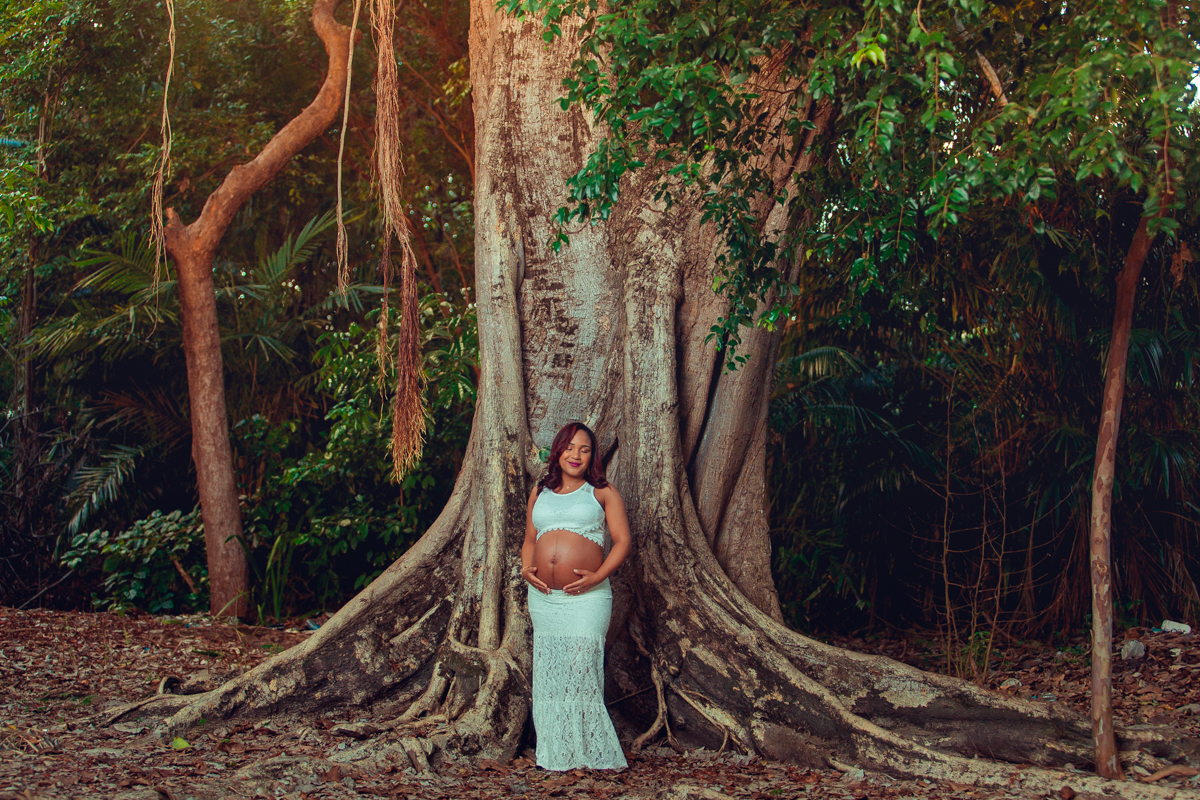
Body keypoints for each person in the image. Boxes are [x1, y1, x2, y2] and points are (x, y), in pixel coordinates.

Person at [521, 422, 631, 771]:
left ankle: (589, 754)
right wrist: (526, 569)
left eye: (584, 449)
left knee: (581, 670)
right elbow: (529, 539)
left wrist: (598, 576)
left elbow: (623, 541)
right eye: (570, 447)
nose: (576, 455)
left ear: (593, 455)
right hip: (544, 598)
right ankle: (556, 754)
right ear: (558, 450)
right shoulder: (540, 491)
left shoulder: (601, 492)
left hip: (588, 598)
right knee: (550, 674)